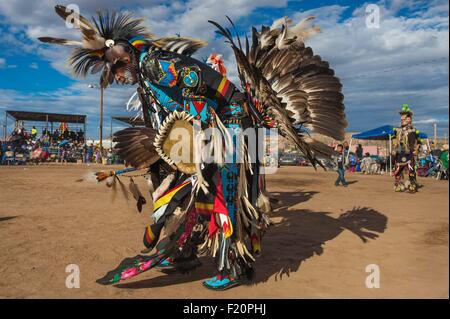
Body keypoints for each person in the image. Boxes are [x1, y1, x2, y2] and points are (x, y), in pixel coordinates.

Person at [39, 6, 347, 291]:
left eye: (115, 68)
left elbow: (208, 83)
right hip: (216, 129)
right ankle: (185, 251)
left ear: (124, 57)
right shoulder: (146, 75)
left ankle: (235, 268)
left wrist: (205, 133)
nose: (116, 77)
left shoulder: (156, 64)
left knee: (227, 197)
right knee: (194, 192)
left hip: (232, 127)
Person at [392, 104, 421, 193]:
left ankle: (412, 185)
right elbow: (395, 140)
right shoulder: (398, 130)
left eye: (404, 118)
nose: (402, 119)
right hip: (400, 152)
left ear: (409, 119)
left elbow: (417, 142)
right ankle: (398, 184)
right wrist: (394, 147)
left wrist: (416, 149)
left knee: (411, 168)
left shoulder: (412, 130)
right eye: (401, 118)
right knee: (398, 169)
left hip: (409, 152)